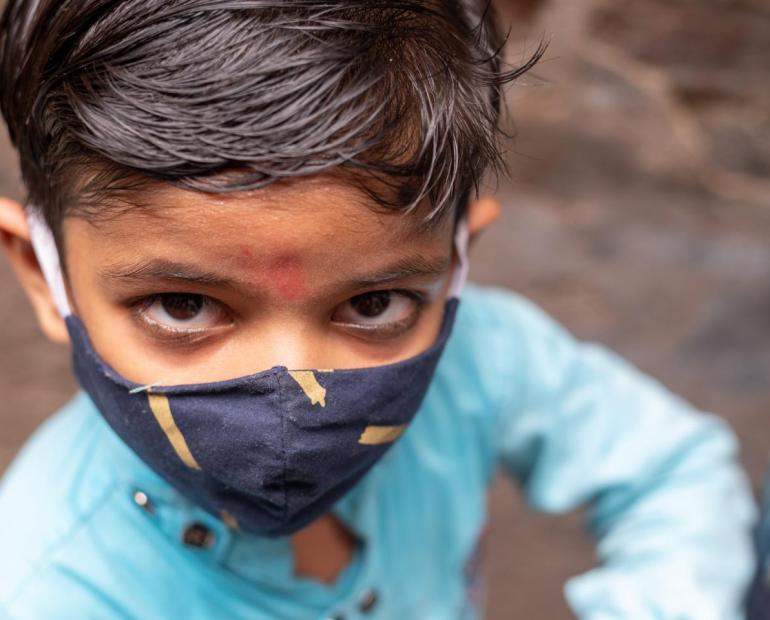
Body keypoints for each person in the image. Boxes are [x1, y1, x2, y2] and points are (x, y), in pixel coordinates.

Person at [0, 1, 756, 618]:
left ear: (459, 260)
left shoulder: (486, 354)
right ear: (43, 273)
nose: (293, 390)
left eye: (372, 303)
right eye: (183, 305)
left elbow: (674, 472)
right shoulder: (45, 589)